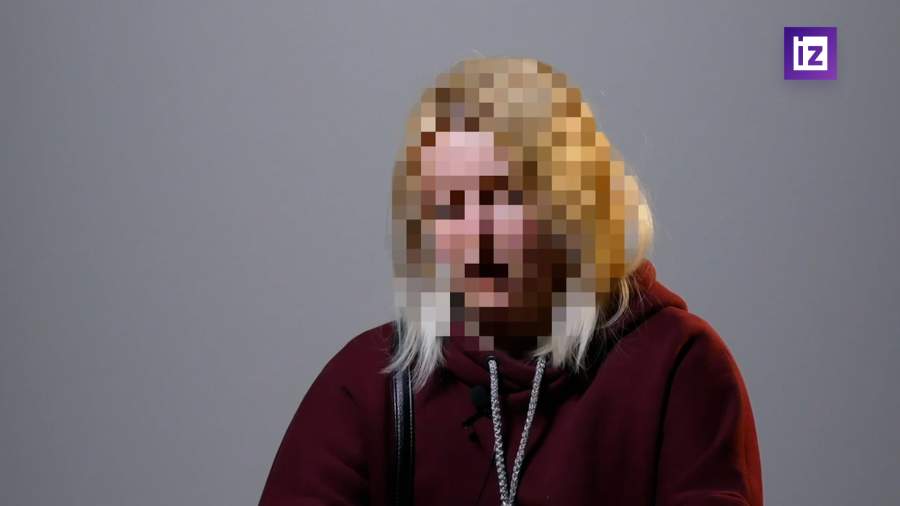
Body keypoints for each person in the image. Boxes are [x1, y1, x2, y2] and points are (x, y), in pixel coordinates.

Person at [259, 57, 763, 505]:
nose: (477, 234)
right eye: (449, 207)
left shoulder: (680, 367)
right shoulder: (370, 384)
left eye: (503, 197)